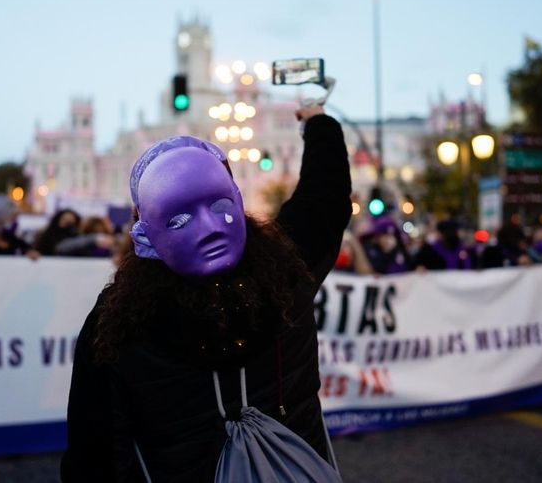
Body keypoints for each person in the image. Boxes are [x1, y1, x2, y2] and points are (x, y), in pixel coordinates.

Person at [61, 105, 351, 481]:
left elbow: (94, 455)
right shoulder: (286, 269)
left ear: (238, 202)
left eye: (218, 205)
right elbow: (323, 199)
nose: (210, 228)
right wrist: (318, 122)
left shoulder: (115, 323)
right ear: (146, 237)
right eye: (179, 218)